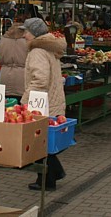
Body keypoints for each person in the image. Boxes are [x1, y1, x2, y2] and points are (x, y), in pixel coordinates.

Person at [19, 17, 67, 191]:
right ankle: (53, 175)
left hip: (42, 104)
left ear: (35, 33)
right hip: (53, 102)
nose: (24, 35)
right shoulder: (49, 49)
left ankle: (48, 180)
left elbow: (40, 80)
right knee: (43, 143)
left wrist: (26, 102)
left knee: (40, 144)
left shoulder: (37, 51)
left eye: (27, 31)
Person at [0, 19, 28, 100]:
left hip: (5, 76)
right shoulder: (27, 40)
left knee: (7, 106)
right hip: (22, 78)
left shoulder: (3, 39)